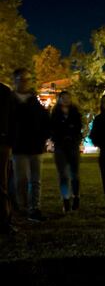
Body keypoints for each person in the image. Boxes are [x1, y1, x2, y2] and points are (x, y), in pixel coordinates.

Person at [10, 68, 50, 222]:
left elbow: (45, 120)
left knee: (36, 180)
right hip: (18, 148)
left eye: (27, 79)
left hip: (35, 147)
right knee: (21, 180)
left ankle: (35, 209)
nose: (24, 82)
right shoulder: (10, 100)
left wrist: (43, 138)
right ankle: (22, 207)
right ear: (15, 80)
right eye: (21, 79)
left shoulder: (35, 100)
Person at [50, 91, 83, 213]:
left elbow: (78, 127)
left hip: (73, 145)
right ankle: (65, 200)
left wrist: (73, 136)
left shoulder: (75, 112)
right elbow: (53, 128)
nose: (65, 100)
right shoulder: (55, 113)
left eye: (68, 98)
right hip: (60, 146)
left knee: (74, 174)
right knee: (63, 174)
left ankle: (76, 197)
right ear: (59, 99)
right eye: (63, 98)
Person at [0, 80, 13, 234]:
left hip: (1, 142)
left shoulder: (4, 92)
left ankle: (4, 220)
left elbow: (11, 118)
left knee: (1, 184)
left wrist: (8, 140)